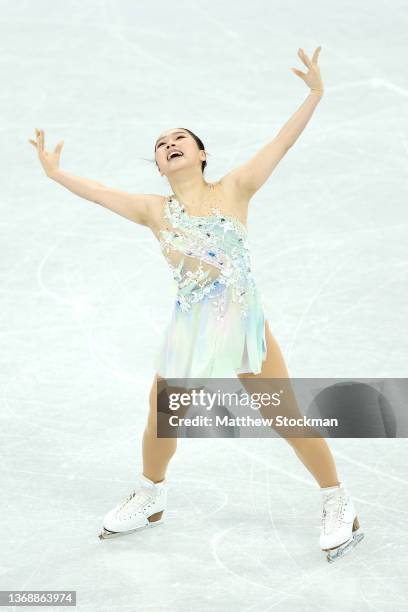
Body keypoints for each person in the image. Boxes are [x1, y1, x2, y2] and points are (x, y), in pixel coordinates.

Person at [29, 46, 364, 562]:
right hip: (191, 329)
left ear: (202, 153)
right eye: (161, 145)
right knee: (161, 417)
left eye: (179, 138)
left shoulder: (236, 188)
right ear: (161, 167)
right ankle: (151, 495)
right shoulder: (153, 210)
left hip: (243, 324)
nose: (169, 145)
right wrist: (56, 175)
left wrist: (315, 94)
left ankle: (338, 501)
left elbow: (280, 142)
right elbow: (97, 192)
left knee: (285, 417)